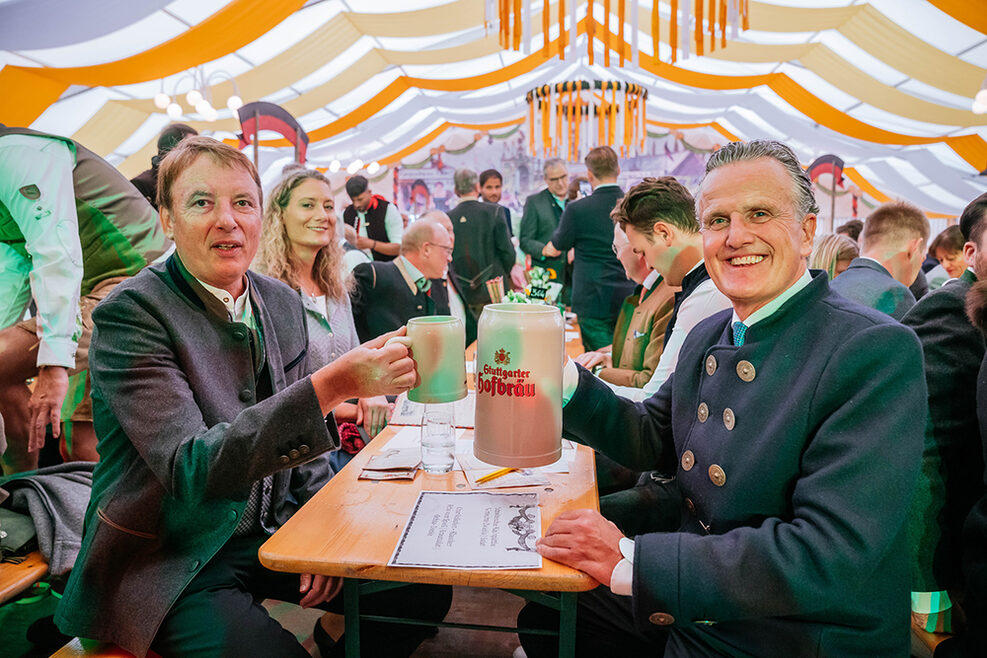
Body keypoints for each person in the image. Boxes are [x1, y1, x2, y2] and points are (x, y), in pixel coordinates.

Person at [517, 139, 926, 657]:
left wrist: (632, 558)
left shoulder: (871, 349)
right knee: (545, 617)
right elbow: (652, 435)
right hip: (709, 600)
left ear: (806, 232)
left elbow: (826, 553)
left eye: (759, 213)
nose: (736, 237)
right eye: (717, 220)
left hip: (790, 633)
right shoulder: (710, 332)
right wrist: (562, 379)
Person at [54, 137, 450, 657]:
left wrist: (315, 532)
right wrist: (334, 386)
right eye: (202, 202)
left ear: (261, 217)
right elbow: (192, 468)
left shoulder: (279, 302)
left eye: (243, 202)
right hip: (170, 558)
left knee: (420, 591)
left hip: (266, 532)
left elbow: (308, 451)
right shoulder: (132, 314)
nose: (227, 220)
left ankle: (336, 643)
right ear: (167, 219)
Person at [0, 125, 173, 474]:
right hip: (96, 291)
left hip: (142, 283)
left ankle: (90, 521)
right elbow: (17, 269)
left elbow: (56, 253)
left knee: (79, 442)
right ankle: (24, 491)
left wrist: (54, 363)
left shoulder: (16, 153)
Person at [255, 169, 392, 468]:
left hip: (349, 446)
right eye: (308, 205)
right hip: (297, 461)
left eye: (328, 206)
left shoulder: (337, 288)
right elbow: (274, 398)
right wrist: (355, 407)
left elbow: (358, 359)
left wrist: (373, 392)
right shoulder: (264, 293)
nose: (323, 215)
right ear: (280, 215)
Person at [902, 192, 987, 642]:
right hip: (951, 565)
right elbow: (923, 445)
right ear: (970, 253)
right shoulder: (953, 308)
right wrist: (926, 587)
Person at [606, 177, 731, 402]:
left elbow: (654, 399)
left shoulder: (706, 296)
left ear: (664, 233)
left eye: (643, 252)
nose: (649, 264)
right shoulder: (710, 284)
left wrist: (572, 383)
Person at [543, 147, 635, 351]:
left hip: (591, 298)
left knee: (597, 359)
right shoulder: (633, 205)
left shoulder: (577, 209)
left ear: (590, 175)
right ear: (618, 170)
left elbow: (557, 247)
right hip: (629, 293)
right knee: (626, 357)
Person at [574, 224, 675, 389]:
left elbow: (649, 382)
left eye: (617, 248)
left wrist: (596, 371)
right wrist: (608, 357)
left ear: (638, 250)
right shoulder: (645, 291)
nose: (618, 257)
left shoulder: (668, 297)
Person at [350, 218, 453, 342]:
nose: (450, 258)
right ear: (426, 249)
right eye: (447, 250)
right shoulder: (371, 275)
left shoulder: (430, 286)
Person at [829, 200, 929, 320]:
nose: (922, 261)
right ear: (913, 248)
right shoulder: (896, 296)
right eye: (922, 255)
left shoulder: (831, 286)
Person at [447, 168, 516, 319]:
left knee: (470, 341)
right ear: (478, 187)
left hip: (462, 294)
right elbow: (508, 253)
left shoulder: (447, 218)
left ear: (456, 190)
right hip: (493, 292)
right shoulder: (495, 211)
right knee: (497, 339)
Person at [520, 159, 569, 286]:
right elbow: (525, 240)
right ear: (546, 179)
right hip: (545, 275)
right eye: (554, 179)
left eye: (563, 177)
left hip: (573, 275)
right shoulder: (534, 202)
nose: (560, 183)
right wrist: (543, 250)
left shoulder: (578, 200)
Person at [129, 123, 198, 209]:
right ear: (174, 150)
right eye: (192, 147)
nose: (198, 152)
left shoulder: (191, 182)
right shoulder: (141, 185)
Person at [342, 174, 403, 261]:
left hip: (387, 268)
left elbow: (399, 248)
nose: (356, 205)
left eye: (360, 199)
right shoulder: (346, 213)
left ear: (369, 192)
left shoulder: (388, 210)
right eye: (353, 200)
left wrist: (371, 244)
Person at [479, 168, 514, 237]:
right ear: (480, 188)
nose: (494, 192)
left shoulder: (505, 211)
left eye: (497, 187)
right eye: (489, 187)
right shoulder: (473, 211)